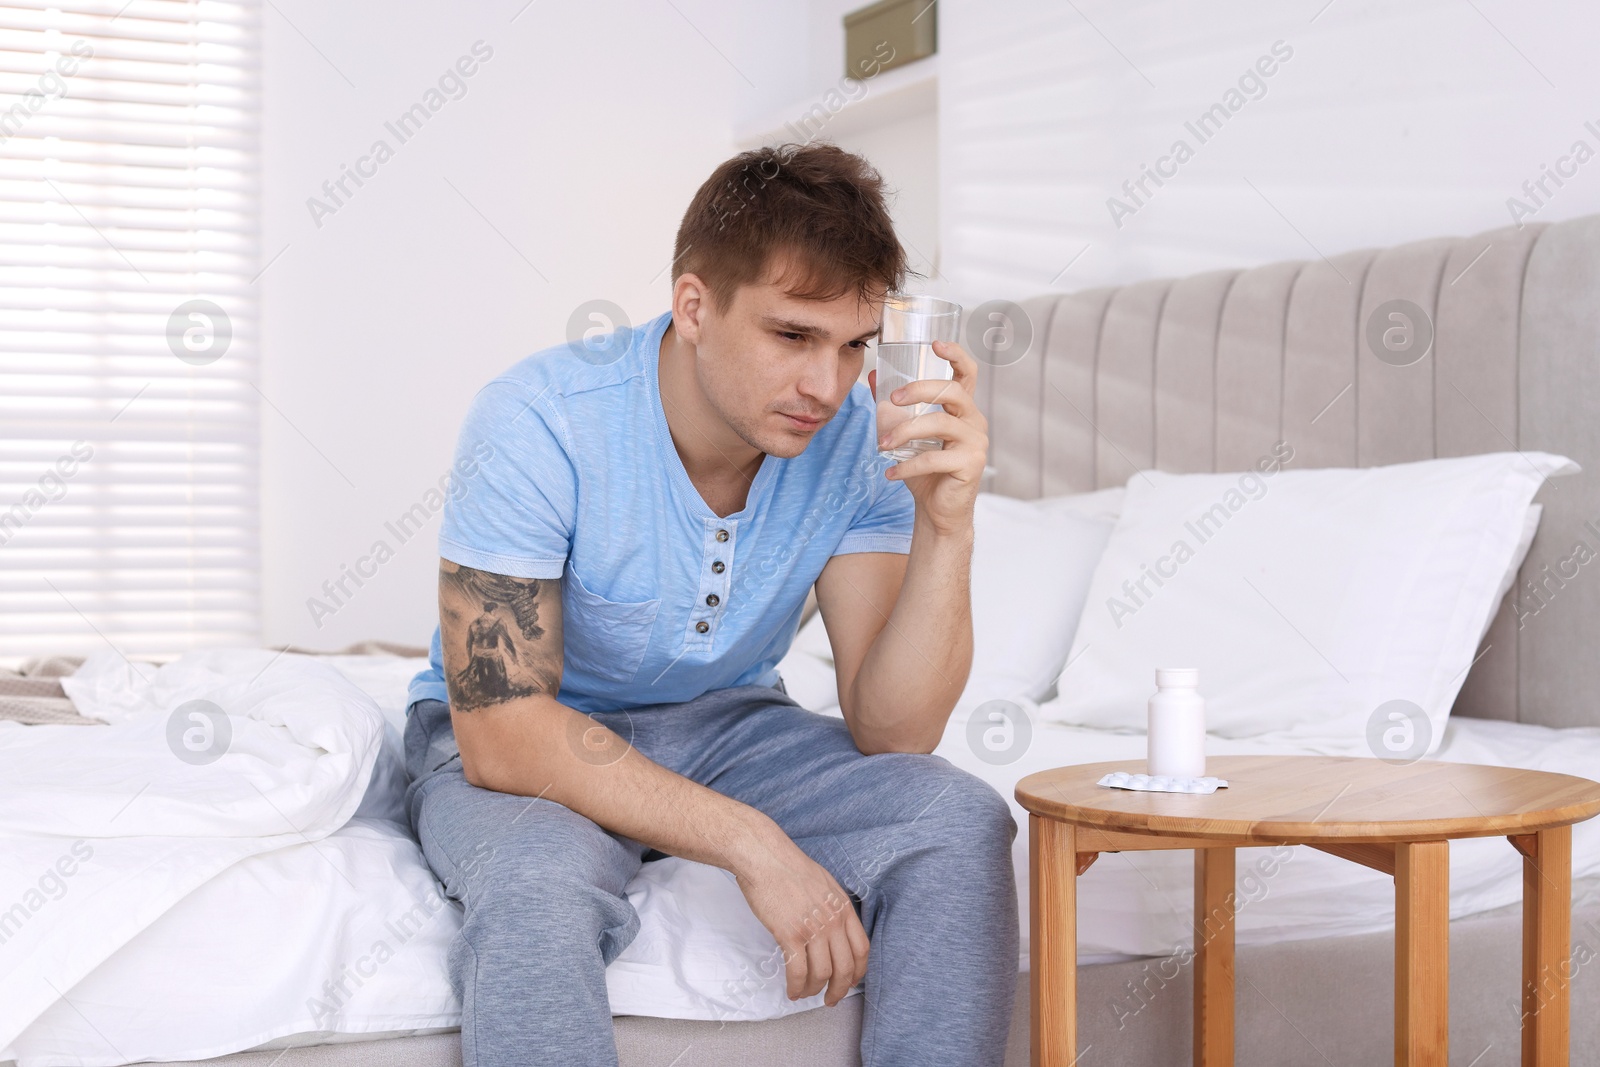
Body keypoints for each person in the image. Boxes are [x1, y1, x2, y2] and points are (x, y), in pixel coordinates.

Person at [402, 142, 1017, 1067]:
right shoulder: (538, 418)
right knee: (538, 882)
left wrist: (948, 524)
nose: (827, 385)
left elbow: (894, 730)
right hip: (534, 731)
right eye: (792, 336)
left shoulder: (860, 440)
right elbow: (498, 729)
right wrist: (748, 840)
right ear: (695, 306)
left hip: (730, 727)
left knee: (956, 818)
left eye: (855, 345)